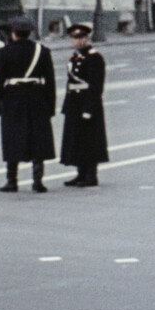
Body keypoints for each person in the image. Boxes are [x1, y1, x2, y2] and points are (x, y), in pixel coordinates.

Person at [0, 15, 57, 193]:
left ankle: (12, 181)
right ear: (30, 33)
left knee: (13, 138)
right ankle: (38, 181)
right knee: (38, 139)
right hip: (37, 97)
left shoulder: (4, 52)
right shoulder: (43, 51)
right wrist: (51, 106)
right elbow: (50, 81)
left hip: (13, 98)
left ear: (14, 33)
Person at [60, 23, 110, 187]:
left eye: (81, 38)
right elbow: (70, 83)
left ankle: (91, 175)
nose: (78, 41)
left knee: (89, 139)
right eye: (75, 38)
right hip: (75, 103)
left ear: (87, 38)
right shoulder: (74, 57)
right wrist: (67, 105)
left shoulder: (94, 57)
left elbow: (96, 86)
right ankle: (80, 173)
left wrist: (89, 108)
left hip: (88, 103)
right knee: (76, 139)